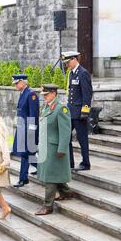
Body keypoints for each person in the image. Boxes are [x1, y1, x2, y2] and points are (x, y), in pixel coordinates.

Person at [36, 84, 74, 216]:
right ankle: (66, 192)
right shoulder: (47, 107)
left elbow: (65, 131)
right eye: (43, 95)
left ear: (54, 93)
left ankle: (48, 206)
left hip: (54, 147)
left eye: (46, 95)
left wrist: (62, 148)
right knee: (52, 172)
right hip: (46, 146)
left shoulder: (61, 109)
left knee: (49, 177)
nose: (44, 97)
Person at [62, 51, 93, 171]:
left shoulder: (83, 73)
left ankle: (86, 163)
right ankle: (69, 163)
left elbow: (87, 94)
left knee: (82, 138)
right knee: (66, 137)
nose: (67, 64)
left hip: (79, 113)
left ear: (74, 59)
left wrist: (85, 112)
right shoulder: (71, 74)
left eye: (68, 62)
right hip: (70, 112)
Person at [11, 74, 39, 188]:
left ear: (23, 82)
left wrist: (31, 132)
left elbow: (33, 114)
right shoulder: (23, 93)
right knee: (28, 153)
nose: (15, 85)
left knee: (25, 153)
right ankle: (41, 168)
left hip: (28, 129)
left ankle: (23, 178)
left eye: (17, 83)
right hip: (23, 127)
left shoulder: (31, 94)